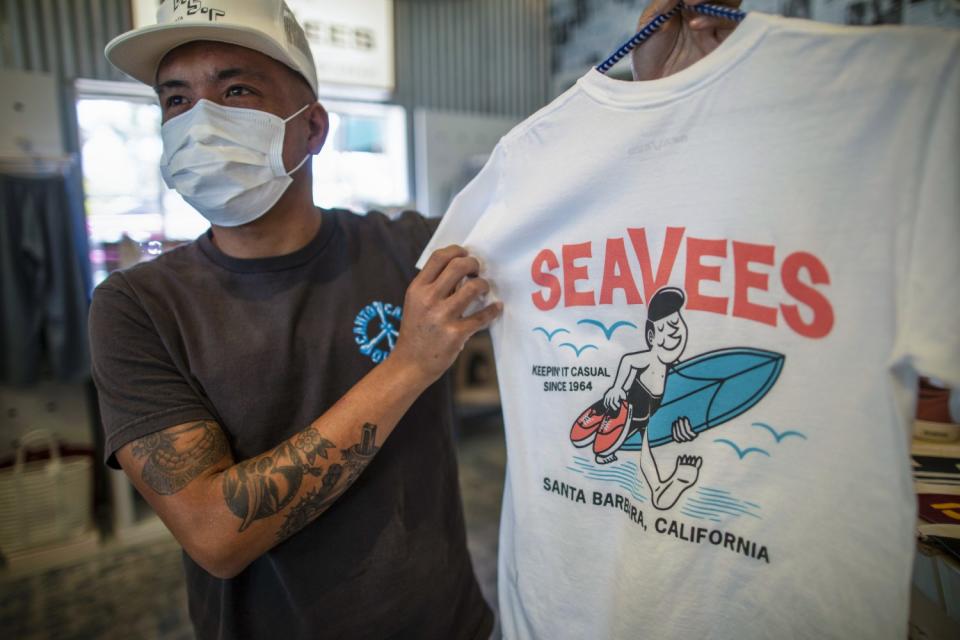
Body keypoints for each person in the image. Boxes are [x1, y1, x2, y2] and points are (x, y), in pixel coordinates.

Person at [90, 0, 733, 638]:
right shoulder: (134, 307)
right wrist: (409, 364)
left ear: (312, 129)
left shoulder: (412, 251)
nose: (202, 120)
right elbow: (215, 533)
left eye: (236, 89)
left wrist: (664, 97)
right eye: (176, 100)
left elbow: (598, 229)